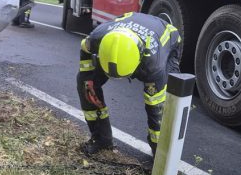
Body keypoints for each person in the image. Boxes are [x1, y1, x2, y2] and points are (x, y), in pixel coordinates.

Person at [77, 12, 182, 156]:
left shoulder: (153, 65)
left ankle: (160, 152)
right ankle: (101, 139)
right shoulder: (94, 39)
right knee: (85, 85)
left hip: (169, 37)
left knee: (161, 102)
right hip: (127, 27)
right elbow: (85, 60)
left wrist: (160, 156)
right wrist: (88, 81)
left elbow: (155, 109)